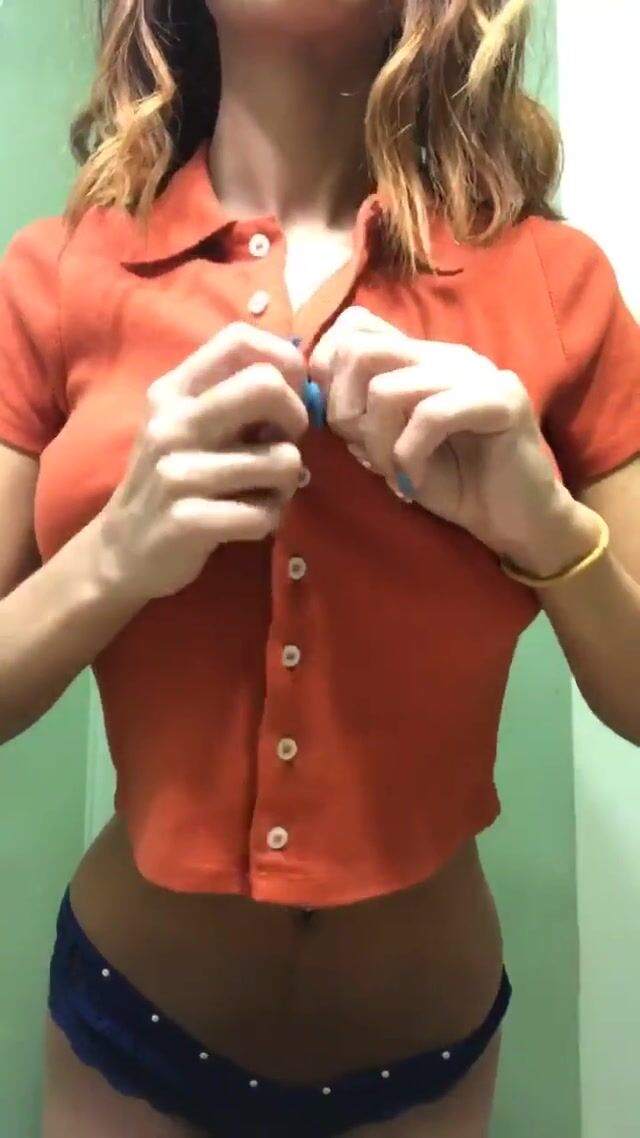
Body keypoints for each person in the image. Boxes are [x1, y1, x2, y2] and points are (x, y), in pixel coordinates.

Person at [0, 0, 638, 1135]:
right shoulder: (51, 277)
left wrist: (544, 530)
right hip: (128, 1028)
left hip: (426, 1054)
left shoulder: (559, 283)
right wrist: (117, 552)